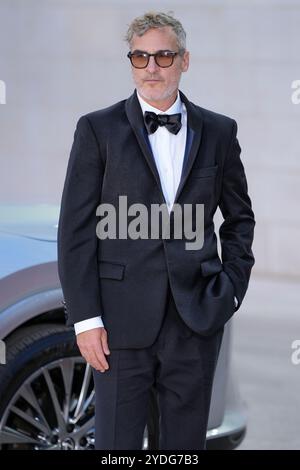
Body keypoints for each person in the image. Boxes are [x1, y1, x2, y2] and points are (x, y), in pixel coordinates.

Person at [57, 11, 255, 450]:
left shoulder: (220, 132)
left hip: (196, 317)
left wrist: (232, 289)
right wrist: (86, 320)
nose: (151, 67)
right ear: (130, 62)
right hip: (118, 323)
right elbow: (75, 232)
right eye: (140, 57)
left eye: (163, 56)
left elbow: (240, 219)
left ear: (184, 60)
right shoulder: (97, 130)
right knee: (118, 445)